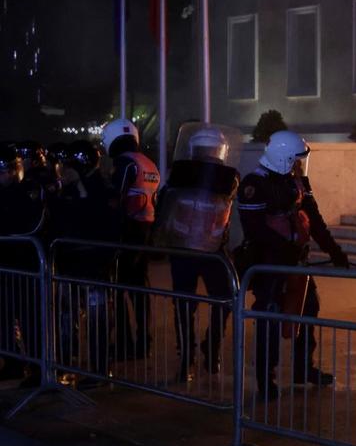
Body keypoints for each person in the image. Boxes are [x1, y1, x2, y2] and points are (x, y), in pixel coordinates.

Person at [237, 130, 344, 399]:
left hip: (295, 261)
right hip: (269, 264)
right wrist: (284, 249)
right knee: (269, 317)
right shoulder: (254, 184)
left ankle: (303, 369)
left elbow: (314, 219)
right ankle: (265, 379)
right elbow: (254, 228)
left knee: (308, 309)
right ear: (283, 158)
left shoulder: (296, 182)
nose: (299, 164)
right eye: (295, 159)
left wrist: (335, 251)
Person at [152, 124, 241, 381]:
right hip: (196, 248)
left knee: (218, 300)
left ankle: (207, 350)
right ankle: (191, 355)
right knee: (195, 302)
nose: (209, 155)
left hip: (207, 248)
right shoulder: (183, 175)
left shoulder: (223, 178)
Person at [48, 140, 116, 384]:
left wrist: (81, 188)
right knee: (66, 317)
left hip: (94, 262)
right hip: (69, 260)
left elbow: (98, 217)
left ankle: (98, 370)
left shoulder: (101, 186)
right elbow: (57, 213)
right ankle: (65, 365)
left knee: (97, 319)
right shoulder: (65, 187)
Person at [103, 118, 160, 360]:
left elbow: (116, 197)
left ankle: (125, 343)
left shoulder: (124, 163)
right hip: (145, 231)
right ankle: (144, 342)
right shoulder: (149, 164)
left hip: (126, 231)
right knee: (139, 289)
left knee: (117, 287)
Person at [0, 144, 45, 386]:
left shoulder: (28, 190)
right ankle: (12, 362)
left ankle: (39, 368)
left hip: (24, 264)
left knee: (29, 319)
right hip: (6, 265)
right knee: (5, 316)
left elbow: (30, 224)